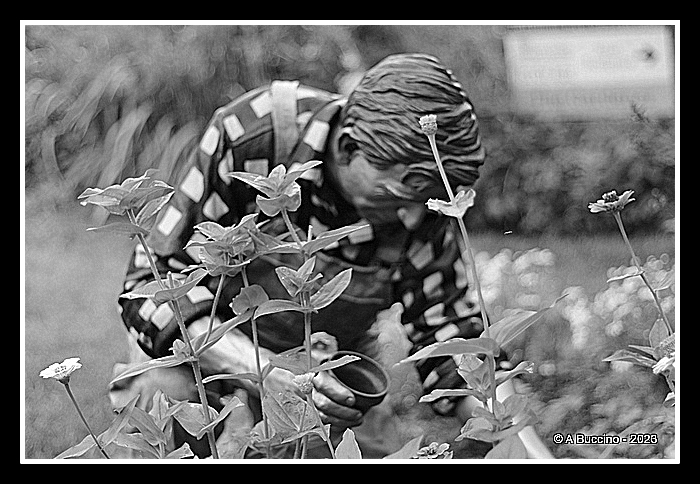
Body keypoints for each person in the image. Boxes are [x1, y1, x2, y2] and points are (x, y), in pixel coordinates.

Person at [109, 53, 551, 459]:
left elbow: (452, 334)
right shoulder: (257, 132)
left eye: (432, 201)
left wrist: (517, 441)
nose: (417, 219)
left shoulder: (421, 203)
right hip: (205, 351)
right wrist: (265, 374)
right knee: (164, 400)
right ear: (347, 149)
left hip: (335, 371)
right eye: (401, 196)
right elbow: (152, 284)